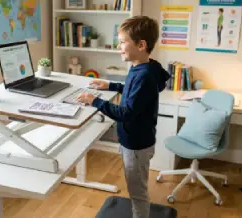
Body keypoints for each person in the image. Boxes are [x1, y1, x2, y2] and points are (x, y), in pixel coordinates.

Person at [76, 15, 170, 218]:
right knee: (137, 188)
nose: (119, 47)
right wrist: (111, 86)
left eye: (122, 42)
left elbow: (125, 113)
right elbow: (136, 92)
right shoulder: (147, 67)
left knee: (138, 194)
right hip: (139, 141)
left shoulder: (143, 75)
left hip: (136, 145)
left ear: (141, 45)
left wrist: (95, 101)